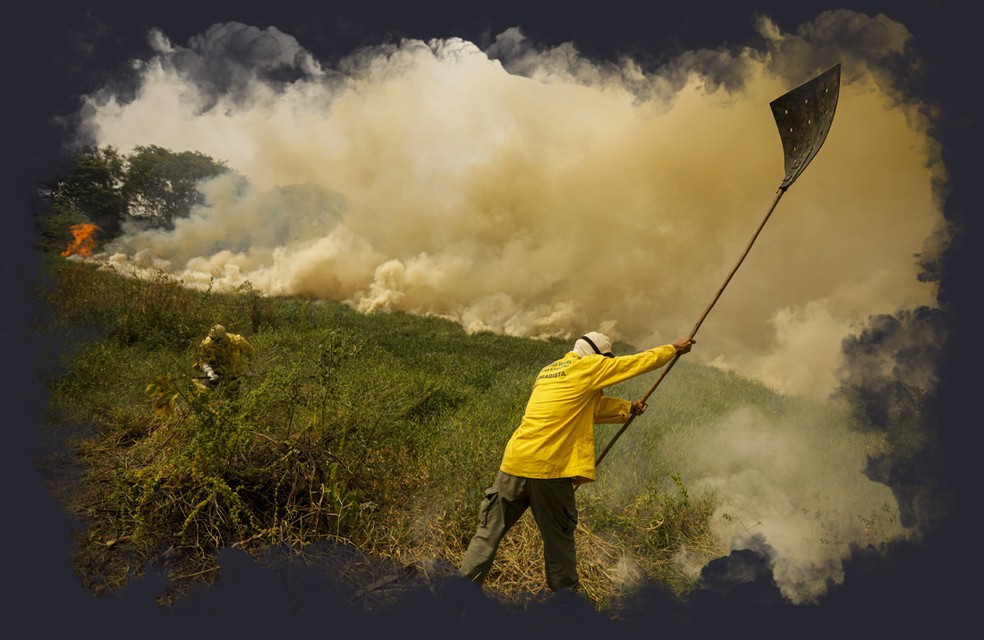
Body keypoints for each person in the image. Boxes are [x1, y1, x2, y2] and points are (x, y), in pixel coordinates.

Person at [458, 330, 695, 593]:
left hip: (514, 464)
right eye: (606, 359)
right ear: (598, 355)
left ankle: (458, 595)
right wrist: (672, 349)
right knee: (559, 543)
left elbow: (582, 407)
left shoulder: (548, 371)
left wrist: (626, 408)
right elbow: (632, 363)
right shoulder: (589, 366)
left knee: (487, 534)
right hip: (550, 470)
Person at [194, 324, 256, 392]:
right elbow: (202, 361)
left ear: (223, 336)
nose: (214, 341)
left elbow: (251, 352)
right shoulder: (207, 344)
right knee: (203, 391)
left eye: (216, 339)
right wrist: (209, 371)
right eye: (212, 338)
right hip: (215, 371)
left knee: (231, 395)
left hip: (233, 373)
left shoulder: (237, 341)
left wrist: (251, 368)